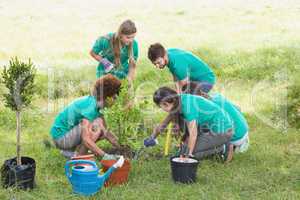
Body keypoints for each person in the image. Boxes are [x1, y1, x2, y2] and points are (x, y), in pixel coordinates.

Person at [144, 87, 234, 162]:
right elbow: (164, 124)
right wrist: (152, 137)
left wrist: (188, 155)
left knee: (189, 155)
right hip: (208, 128)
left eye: (163, 105)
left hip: (222, 130)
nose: (162, 108)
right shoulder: (178, 101)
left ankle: (222, 148)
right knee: (183, 151)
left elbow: (193, 134)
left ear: (169, 102)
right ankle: (214, 146)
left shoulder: (187, 106)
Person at [50, 74, 122, 159]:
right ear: (106, 96)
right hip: (61, 138)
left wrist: (121, 146)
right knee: (96, 126)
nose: (115, 101)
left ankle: (70, 152)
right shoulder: (91, 107)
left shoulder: (96, 104)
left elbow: (106, 133)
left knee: (100, 127)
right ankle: (79, 158)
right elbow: (86, 139)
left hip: (65, 136)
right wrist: (105, 156)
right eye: (114, 98)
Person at [182, 82, 250, 153]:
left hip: (234, 137)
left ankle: (223, 148)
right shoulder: (216, 96)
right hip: (244, 131)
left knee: (198, 143)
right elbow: (238, 108)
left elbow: (194, 130)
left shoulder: (204, 108)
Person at [147, 43, 216, 93]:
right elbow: (175, 76)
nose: (157, 66)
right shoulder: (168, 55)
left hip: (206, 80)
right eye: (155, 64)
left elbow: (184, 85)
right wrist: (178, 93)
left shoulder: (178, 65)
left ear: (164, 55)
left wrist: (180, 96)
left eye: (158, 62)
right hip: (195, 80)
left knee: (189, 98)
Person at [90, 19, 139, 85]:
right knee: (104, 92)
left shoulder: (134, 45)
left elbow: (132, 66)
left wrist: (129, 81)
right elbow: (93, 52)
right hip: (105, 72)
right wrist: (105, 62)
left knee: (121, 93)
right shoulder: (105, 40)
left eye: (133, 37)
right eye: (128, 37)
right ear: (120, 35)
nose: (131, 40)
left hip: (122, 73)